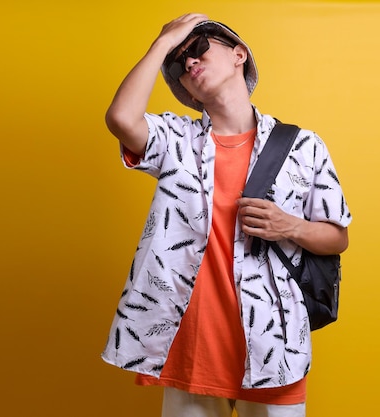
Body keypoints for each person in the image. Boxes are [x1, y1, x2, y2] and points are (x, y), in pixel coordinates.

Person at [101, 13, 351, 417]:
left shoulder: (303, 146)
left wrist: (290, 226)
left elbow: (337, 237)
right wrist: (163, 43)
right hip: (190, 345)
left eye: (198, 49)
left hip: (273, 344)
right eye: (180, 66)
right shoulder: (177, 140)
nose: (190, 63)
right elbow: (121, 119)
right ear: (188, 92)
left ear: (239, 55)